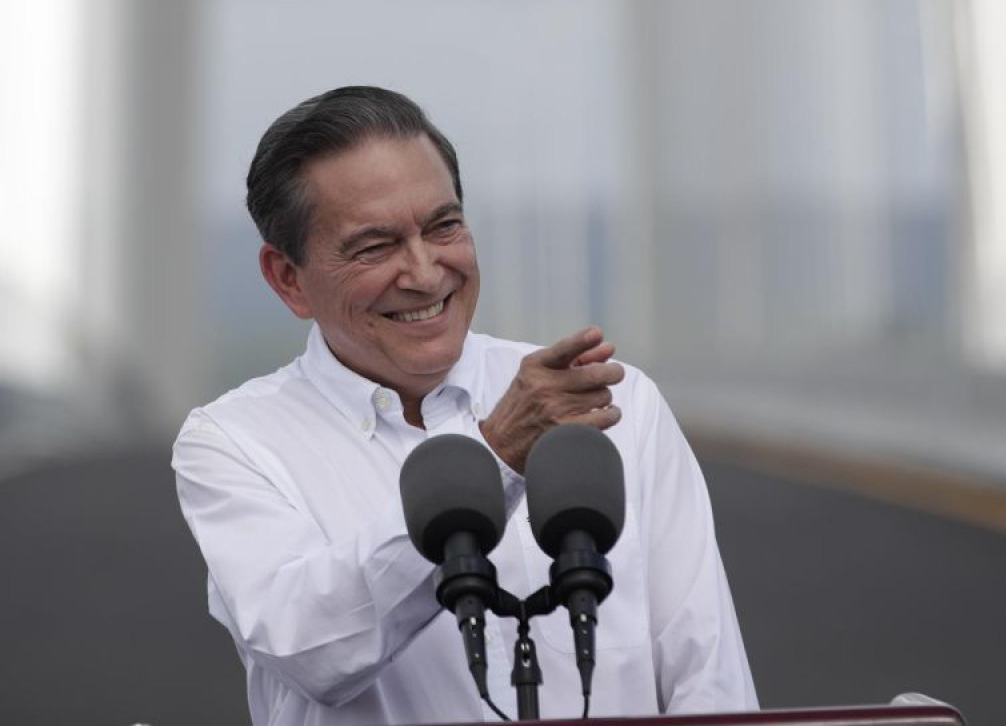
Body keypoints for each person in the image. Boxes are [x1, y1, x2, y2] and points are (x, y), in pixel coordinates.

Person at [172, 86, 757, 726]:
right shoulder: (234, 442)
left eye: (443, 226)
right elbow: (309, 648)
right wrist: (496, 453)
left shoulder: (612, 402)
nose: (425, 273)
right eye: (375, 246)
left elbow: (710, 681)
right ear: (288, 278)